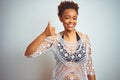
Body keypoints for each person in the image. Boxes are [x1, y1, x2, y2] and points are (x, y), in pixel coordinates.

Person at [25, 1, 96, 80]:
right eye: (67, 17)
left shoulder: (84, 39)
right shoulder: (55, 39)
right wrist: (44, 34)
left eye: (74, 18)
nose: (71, 21)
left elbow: (90, 68)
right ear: (60, 18)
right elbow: (28, 53)